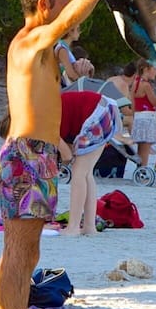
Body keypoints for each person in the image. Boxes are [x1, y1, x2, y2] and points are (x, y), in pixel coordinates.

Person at [0, 0, 132, 309]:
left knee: (28, 252)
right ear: (43, 5)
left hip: (38, 155)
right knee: (19, 252)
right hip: (26, 155)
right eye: (59, 0)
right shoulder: (32, 42)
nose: (65, 5)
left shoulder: (35, 35)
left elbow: (59, 8)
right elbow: (65, 18)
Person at [61, 90, 119, 235]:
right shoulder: (53, 106)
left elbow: (66, 155)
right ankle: (89, 226)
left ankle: (73, 227)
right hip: (106, 110)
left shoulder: (46, 118)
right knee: (87, 173)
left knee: (79, 173)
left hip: (96, 114)